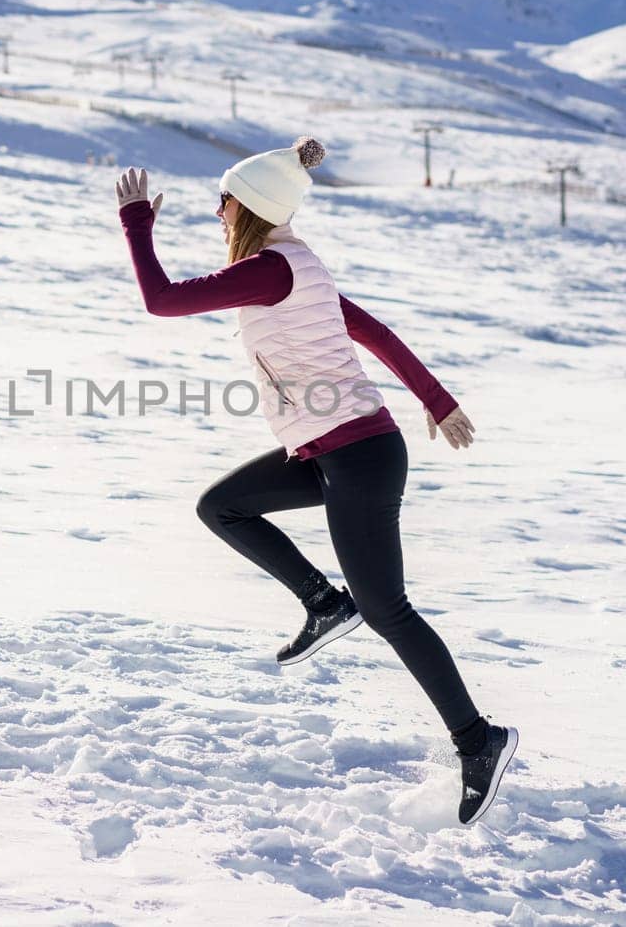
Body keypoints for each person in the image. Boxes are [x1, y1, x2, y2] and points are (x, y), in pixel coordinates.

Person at [113, 137, 518, 826]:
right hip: (336, 451)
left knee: (388, 608)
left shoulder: (272, 269)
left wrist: (136, 225)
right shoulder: (299, 267)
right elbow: (377, 333)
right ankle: (323, 604)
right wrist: (436, 399)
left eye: (224, 199)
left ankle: (479, 740)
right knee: (224, 506)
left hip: (356, 454)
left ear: (251, 206)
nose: (216, 209)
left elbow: (161, 300)